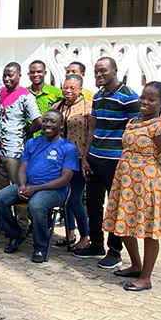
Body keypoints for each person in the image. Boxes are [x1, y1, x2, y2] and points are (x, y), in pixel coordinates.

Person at [103, 82, 161, 292]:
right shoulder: (133, 121)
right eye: (142, 97)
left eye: (151, 99)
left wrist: (151, 172)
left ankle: (145, 278)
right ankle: (135, 265)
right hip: (126, 181)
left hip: (148, 184)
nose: (144, 102)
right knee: (124, 225)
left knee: (148, 230)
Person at [74, 57, 141, 269]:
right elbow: (93, 127)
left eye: (103, 70)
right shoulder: (98, 95)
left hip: (117, 162)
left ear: (115, 71)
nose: (99, 75)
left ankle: (115, 252)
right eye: (96, 72)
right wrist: (85, 157)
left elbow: (137, 128)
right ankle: (96, 244)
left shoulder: (129, 97)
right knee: (93, 204)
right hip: (95, 158)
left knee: (115, 207)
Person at [0, 109, 79, 263]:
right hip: (29, 185)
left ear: (61, 126)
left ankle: (40, 246)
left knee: (36, 206)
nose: (47, 124)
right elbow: (22, 168)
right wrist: (22, 186)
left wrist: (35, 189)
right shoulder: (32, 142)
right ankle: (16, 234)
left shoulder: (68, 148)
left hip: (54, 190)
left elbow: (65, 180)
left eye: (53, 121)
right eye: (45, 120)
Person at [52, 74, 92, 250]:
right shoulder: (57, 106)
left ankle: (85, 236)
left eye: (72, 88)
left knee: (74, 198)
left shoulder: (88, 108)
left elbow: (92, 133)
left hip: (79, 158)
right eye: (65, 87)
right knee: (64, 197)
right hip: (59, 159)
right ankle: (70, 233)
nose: (67, 91)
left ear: (80, 89)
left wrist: (87, 158)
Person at [0, 62, 42, 189]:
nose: (7, 79)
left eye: (11, 75)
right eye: (4, 76)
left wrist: (27, 131)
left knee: (17, 187)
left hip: (15, 152)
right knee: (1, 189)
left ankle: (19, 210)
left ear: (19, 75)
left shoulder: (26, 96)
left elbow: (38, 121)